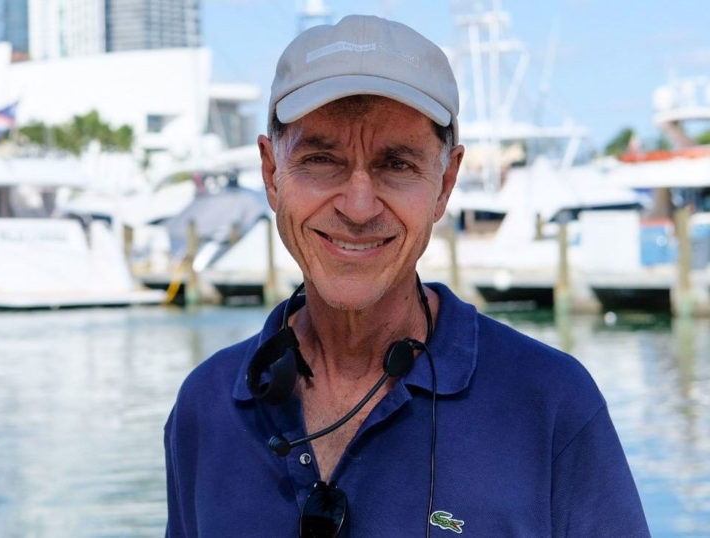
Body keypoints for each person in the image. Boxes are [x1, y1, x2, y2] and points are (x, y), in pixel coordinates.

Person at [163, 14, 650, 538]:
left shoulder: (551, 404)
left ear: (446, 183)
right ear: (271, 173)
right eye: (321, 159)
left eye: (396, 165)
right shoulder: (204, 407)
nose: (358, 206)